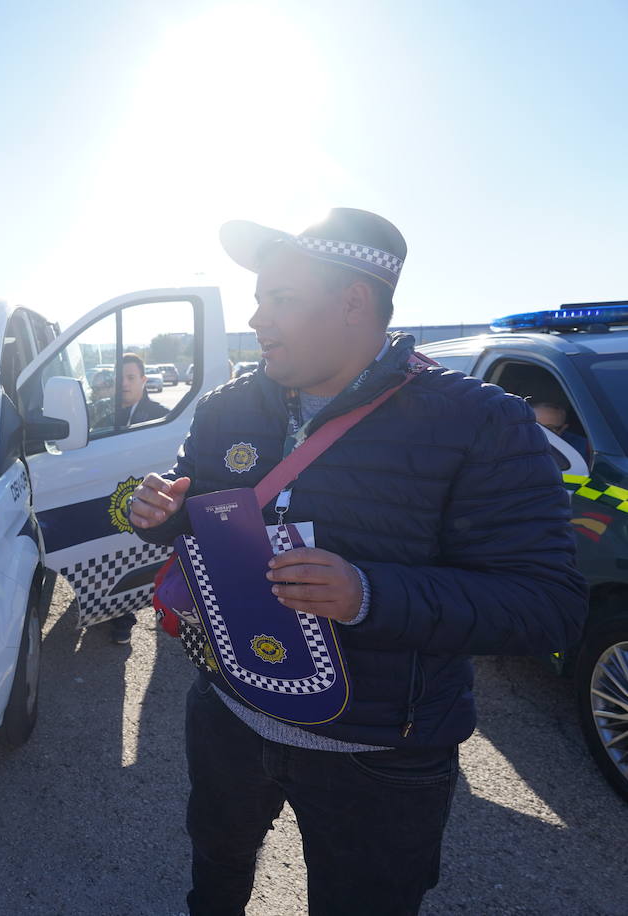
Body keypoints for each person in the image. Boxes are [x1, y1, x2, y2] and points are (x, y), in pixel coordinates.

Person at [127, 208, 586, 915]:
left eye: (280, 299)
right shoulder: (229, 407)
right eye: (257, 298)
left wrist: (368, 593)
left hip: (381, 756)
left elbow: (546, 605)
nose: (257, 318)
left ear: (353, 303)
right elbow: (192, 511)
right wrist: (151, 510)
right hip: (228, 713)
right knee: (214, 873)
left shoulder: (478, 421)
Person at [101, 353, 171, 645]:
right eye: (119, 378)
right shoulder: (104, 416)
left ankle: (124, 617)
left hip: (141, 502)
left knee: (131, 557)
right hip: (108, 498)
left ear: (144, 380)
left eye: (131, 378)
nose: (124, 384)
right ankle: (103, 607)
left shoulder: (163, 416)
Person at [530, 398, 591, 463]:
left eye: (548, 428)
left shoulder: (581, 448)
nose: (539, 432)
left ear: (563, 429)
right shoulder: (518, 439)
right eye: (534, 425)